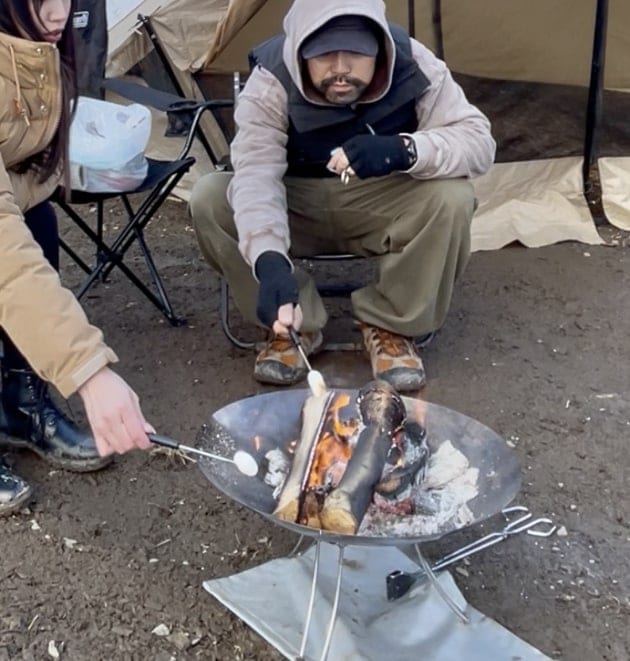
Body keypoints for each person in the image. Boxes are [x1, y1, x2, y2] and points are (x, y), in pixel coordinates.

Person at [190, 0, 495, 393]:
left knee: (452, 197)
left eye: (356, 52)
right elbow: (255, 174)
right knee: (211, 197)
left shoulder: (413, 62)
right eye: (323, 55)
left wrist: (404, 150)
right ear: (301, 50)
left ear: (378, 47)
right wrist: (268, 258)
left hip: (380, 200)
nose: (340, 68)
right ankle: (291, 324)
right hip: (296, 203)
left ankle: (391, 326)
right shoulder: (272, 77)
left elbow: (478, 142)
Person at [0, 0, 154, 516]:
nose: (59, 12)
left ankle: (21, 406)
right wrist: (89, 373)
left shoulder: (35, 49)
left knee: (38, 221)